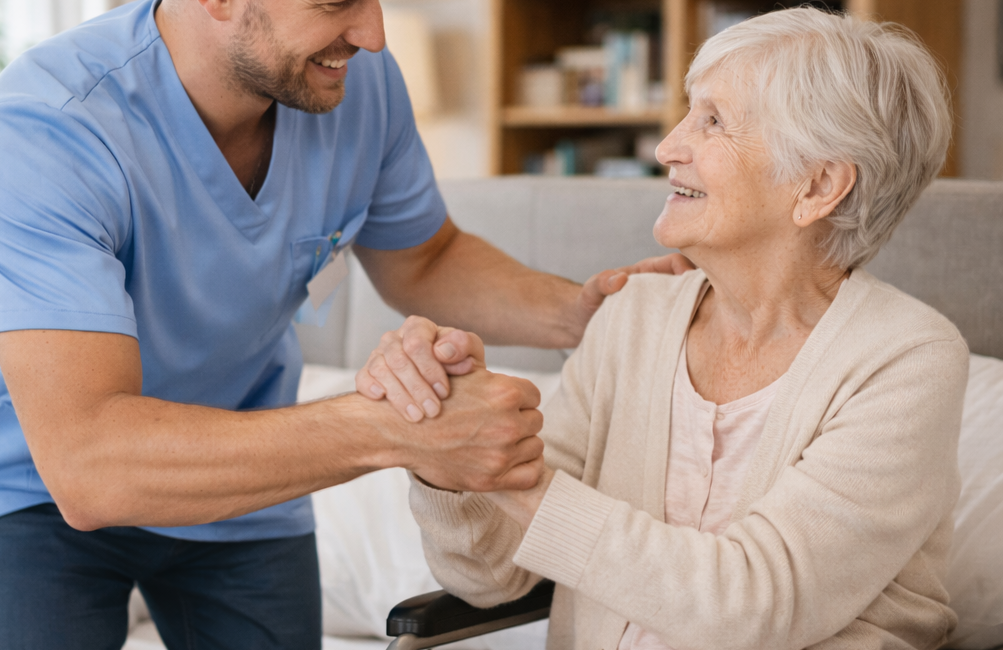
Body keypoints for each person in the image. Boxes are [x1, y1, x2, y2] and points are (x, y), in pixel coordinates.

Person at [0, 0, 690, 648]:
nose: (372, 35)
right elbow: (91, 466)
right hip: (36, 491)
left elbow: (425, 259)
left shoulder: (353, 86)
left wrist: (580, 314)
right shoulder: (51, 125)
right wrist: (392, 430)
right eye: (336, 3)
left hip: (253, 473)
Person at [406, 8, 969, 650]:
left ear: (817, 185)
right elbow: (491, 577)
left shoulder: (906, 360)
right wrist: (445, 445)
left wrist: (508, 470)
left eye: (714, 121)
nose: (666, 147)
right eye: (687, 112)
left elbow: (753, 607)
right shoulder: (634, 316)